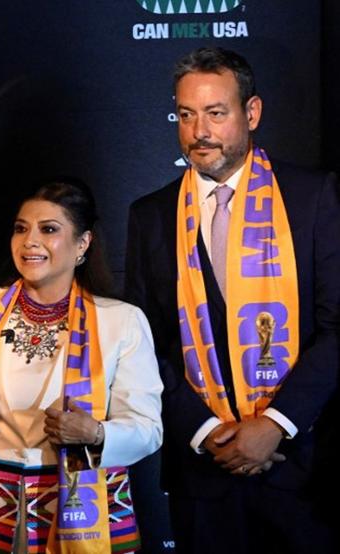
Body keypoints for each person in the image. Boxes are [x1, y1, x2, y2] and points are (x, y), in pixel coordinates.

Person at [125, 47, 339, 553]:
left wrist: (275, 424)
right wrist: (203, 431)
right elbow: (144, 346)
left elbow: (337, 327)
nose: (199, 130)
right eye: (186, 114)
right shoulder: (151, 215)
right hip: (203, 471)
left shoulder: (312, 196)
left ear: (252, 113)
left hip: (300, 466)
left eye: (216, 113)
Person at [0, 180, 163, 553]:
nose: (29, 241)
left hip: (83, 504)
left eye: (48, 229)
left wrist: (96, 433)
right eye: (21, 229)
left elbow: (147, 428)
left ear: (82, 244)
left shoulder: (121, 321)